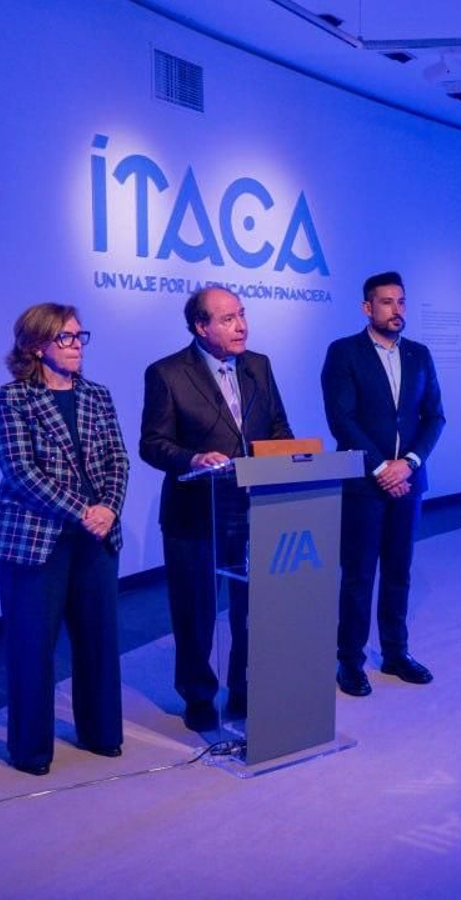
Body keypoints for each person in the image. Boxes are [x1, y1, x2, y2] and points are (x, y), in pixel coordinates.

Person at [0, 303, 129, 776]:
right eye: (66, 338)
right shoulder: (12, 398)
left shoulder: (97, 396)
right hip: (35, 539)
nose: (76, 347)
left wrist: (108, 508)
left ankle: (101, 733)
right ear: (36, 346)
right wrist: (83, 511)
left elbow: (118, 460)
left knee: (99, 641)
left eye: (80, 337)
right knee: (32, 646)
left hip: (96, 538)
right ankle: (30, 749)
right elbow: (21, 472)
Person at [140, 286, 294, 731]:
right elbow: (152, 444)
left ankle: (244, 688)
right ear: (200, 327)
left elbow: (279, 426)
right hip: (195, 515)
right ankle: (198, 695)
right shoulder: (168, 373)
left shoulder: (258, 366)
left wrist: (291, 455)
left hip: (253, 510)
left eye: (242, 315)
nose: (241, 325)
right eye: (227, 319)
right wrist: (191, 458)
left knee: (252, 611)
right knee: (196, 614)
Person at [321, 271, 445, 696]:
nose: (397, 310)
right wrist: (381, 468)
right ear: (367, 307)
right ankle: (349, 662)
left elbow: (434, 416)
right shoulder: (344, 353)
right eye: (387, 302)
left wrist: (408, 464)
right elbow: (342, 419)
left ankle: (396, 653)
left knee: (399, 571)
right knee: (358, 575)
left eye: (402, 302)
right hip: (364, 483)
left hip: (409, 482)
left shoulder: (420, 355)